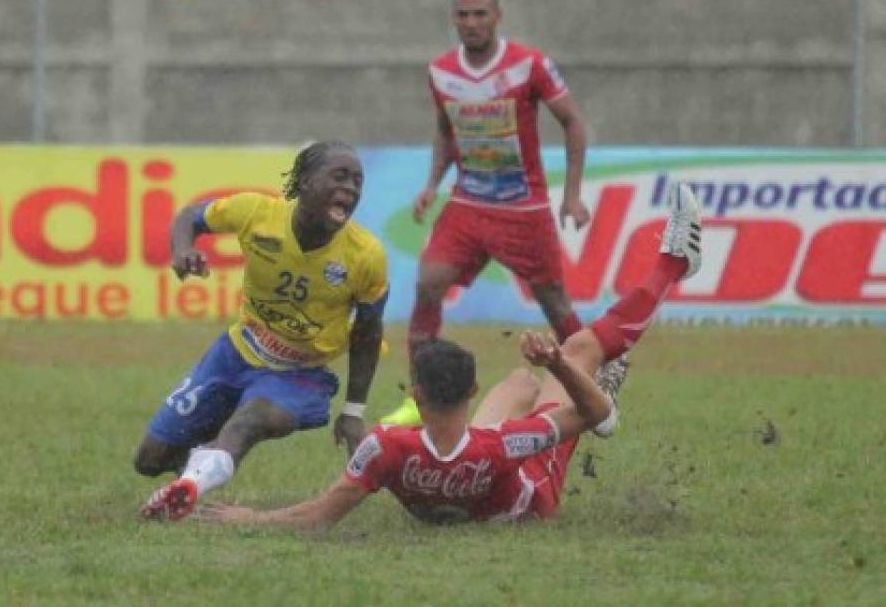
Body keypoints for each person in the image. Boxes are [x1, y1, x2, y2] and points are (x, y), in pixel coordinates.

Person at [198, 183, 702, 529]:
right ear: (468, 391)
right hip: (530, 498)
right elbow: (594, 416)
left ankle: (586, 374)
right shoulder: (508, 445)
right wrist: (560, 365)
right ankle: (674, 265)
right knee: (582, 350)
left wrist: (254, 518)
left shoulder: (386, 448)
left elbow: (320, 513)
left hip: (459, 467)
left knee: (520, 386)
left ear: (416, 394)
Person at [135, 141, 390, 521]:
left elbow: (367, 334)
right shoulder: (256, 213)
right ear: (304, 181)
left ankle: (187, 490)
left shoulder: (365, 256)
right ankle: (195, 470)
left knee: (247, 423)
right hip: (235, 353)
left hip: (301, 375)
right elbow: (190, 216)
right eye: (339, 176)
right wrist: (183, 250)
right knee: (149, 458)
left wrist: (353, 411)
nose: (351, 188)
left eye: (357, 181)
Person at [383, 0, 594, 427]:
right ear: (453, 19)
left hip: (523, 208)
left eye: (480, 14)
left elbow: (572, 122)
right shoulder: (441, 71)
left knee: (555, 304)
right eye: (463, 14)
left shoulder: (528, 65)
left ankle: (595, 383)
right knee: (427, 283)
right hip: (468, 204)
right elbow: (445, 130)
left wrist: (572, 195)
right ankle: (420, 394)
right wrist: (432, 183)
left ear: (497, 17)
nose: (472, 22)